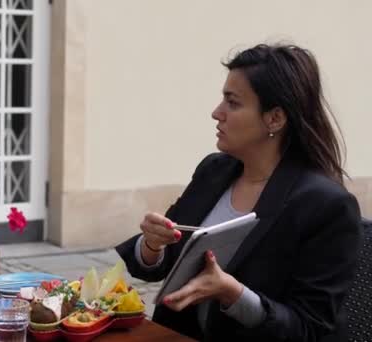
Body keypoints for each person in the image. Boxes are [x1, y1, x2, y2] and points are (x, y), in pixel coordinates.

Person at [116, 44, 362, 341]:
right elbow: (163, 262)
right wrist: (152, 246)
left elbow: (308, 328)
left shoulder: (326, 206)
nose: (216, 113)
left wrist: (233, 294)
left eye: (232, 103)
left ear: (275, 119)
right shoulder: (214, 170)